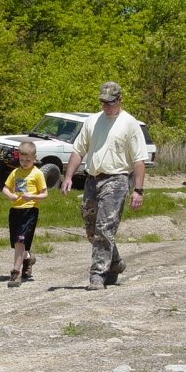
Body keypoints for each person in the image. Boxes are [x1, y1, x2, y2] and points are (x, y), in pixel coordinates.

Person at [60, 81, 147, 290]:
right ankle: (115, 263)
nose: (106, 106)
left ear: (119, 100)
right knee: (92, 229)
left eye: (110, 102)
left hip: (116, 180)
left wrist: (138, 189)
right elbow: (78, 150)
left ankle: (97, 275)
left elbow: (139, 160)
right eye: (103, 102)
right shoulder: (92, 121)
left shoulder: (130, 124)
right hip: (92, 179)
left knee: (104, 227)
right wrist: (68, 176)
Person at [2, 141, 48, 287]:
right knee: (16, 242)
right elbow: (5, 188)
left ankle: (16, 273)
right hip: (15, 210)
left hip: (30, 210)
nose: (25, 163)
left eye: (28, 160)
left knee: (20, 240)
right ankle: (28, 258)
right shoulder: (15, 173)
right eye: (22, 160)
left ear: (34, 158)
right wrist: (10, 196)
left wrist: (33, 197)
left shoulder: (37, 174)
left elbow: (45, 194)